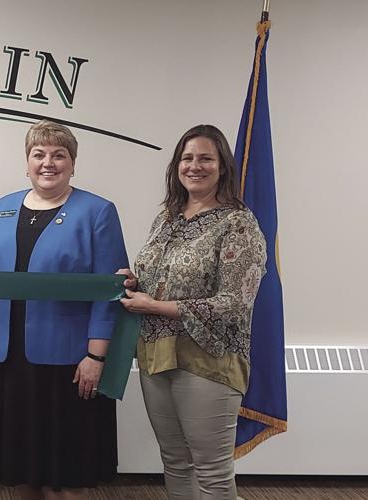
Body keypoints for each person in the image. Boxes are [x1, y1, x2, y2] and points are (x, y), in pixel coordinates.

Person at [0, 120, 127, 499]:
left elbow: (111, 291)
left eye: (59, 155)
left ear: (73, 163)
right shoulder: (0, 210)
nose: (48, 162)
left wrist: (96, 355)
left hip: (69, 364)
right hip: (10, 360)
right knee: (20, 467)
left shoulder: (98, 212)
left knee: (64, 473)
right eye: (38, 154)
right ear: (26, 163)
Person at [119, 124, 266, 499]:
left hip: (208, 360)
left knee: (213, 471)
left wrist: (155, 305)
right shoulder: (166, 218)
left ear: (222, 167)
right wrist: (136, 282)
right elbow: (162, 278)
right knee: (175, 461)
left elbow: (234, 304)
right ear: (176, 166)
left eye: (205, 158)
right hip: (155, 357)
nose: (194, 166)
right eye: (187, 158)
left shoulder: (239, 223)